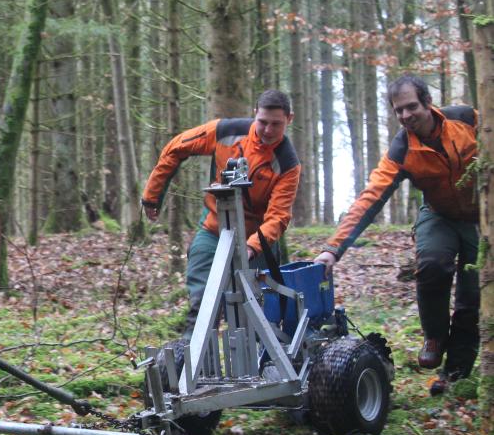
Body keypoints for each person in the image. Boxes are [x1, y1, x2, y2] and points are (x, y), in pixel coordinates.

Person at [315, 75, 478, 396]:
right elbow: (370, 198)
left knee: (472, 298)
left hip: (481, 217)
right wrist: (333, 249)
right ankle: (434, 336)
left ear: (428, 103)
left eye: (411, 107)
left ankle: (456, 374)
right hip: (438, 213)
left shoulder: (467, 120)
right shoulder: (402, 148)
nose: (405, 116)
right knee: (432, 263)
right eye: (398, 111)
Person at [141, 89, 301, 334]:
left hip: (257, 240)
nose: (268, 130)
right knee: (203, 303)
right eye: (263, 122)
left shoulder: (288, 163)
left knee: (258, 313)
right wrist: (152, 197)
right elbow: (176, 147)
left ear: (289, 119)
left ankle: (267, 365)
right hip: (215, 228)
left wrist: (251, 246)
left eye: (276, 124)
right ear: (254, 113)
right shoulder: (226, 132)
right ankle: (191, 363)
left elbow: (278, 216)